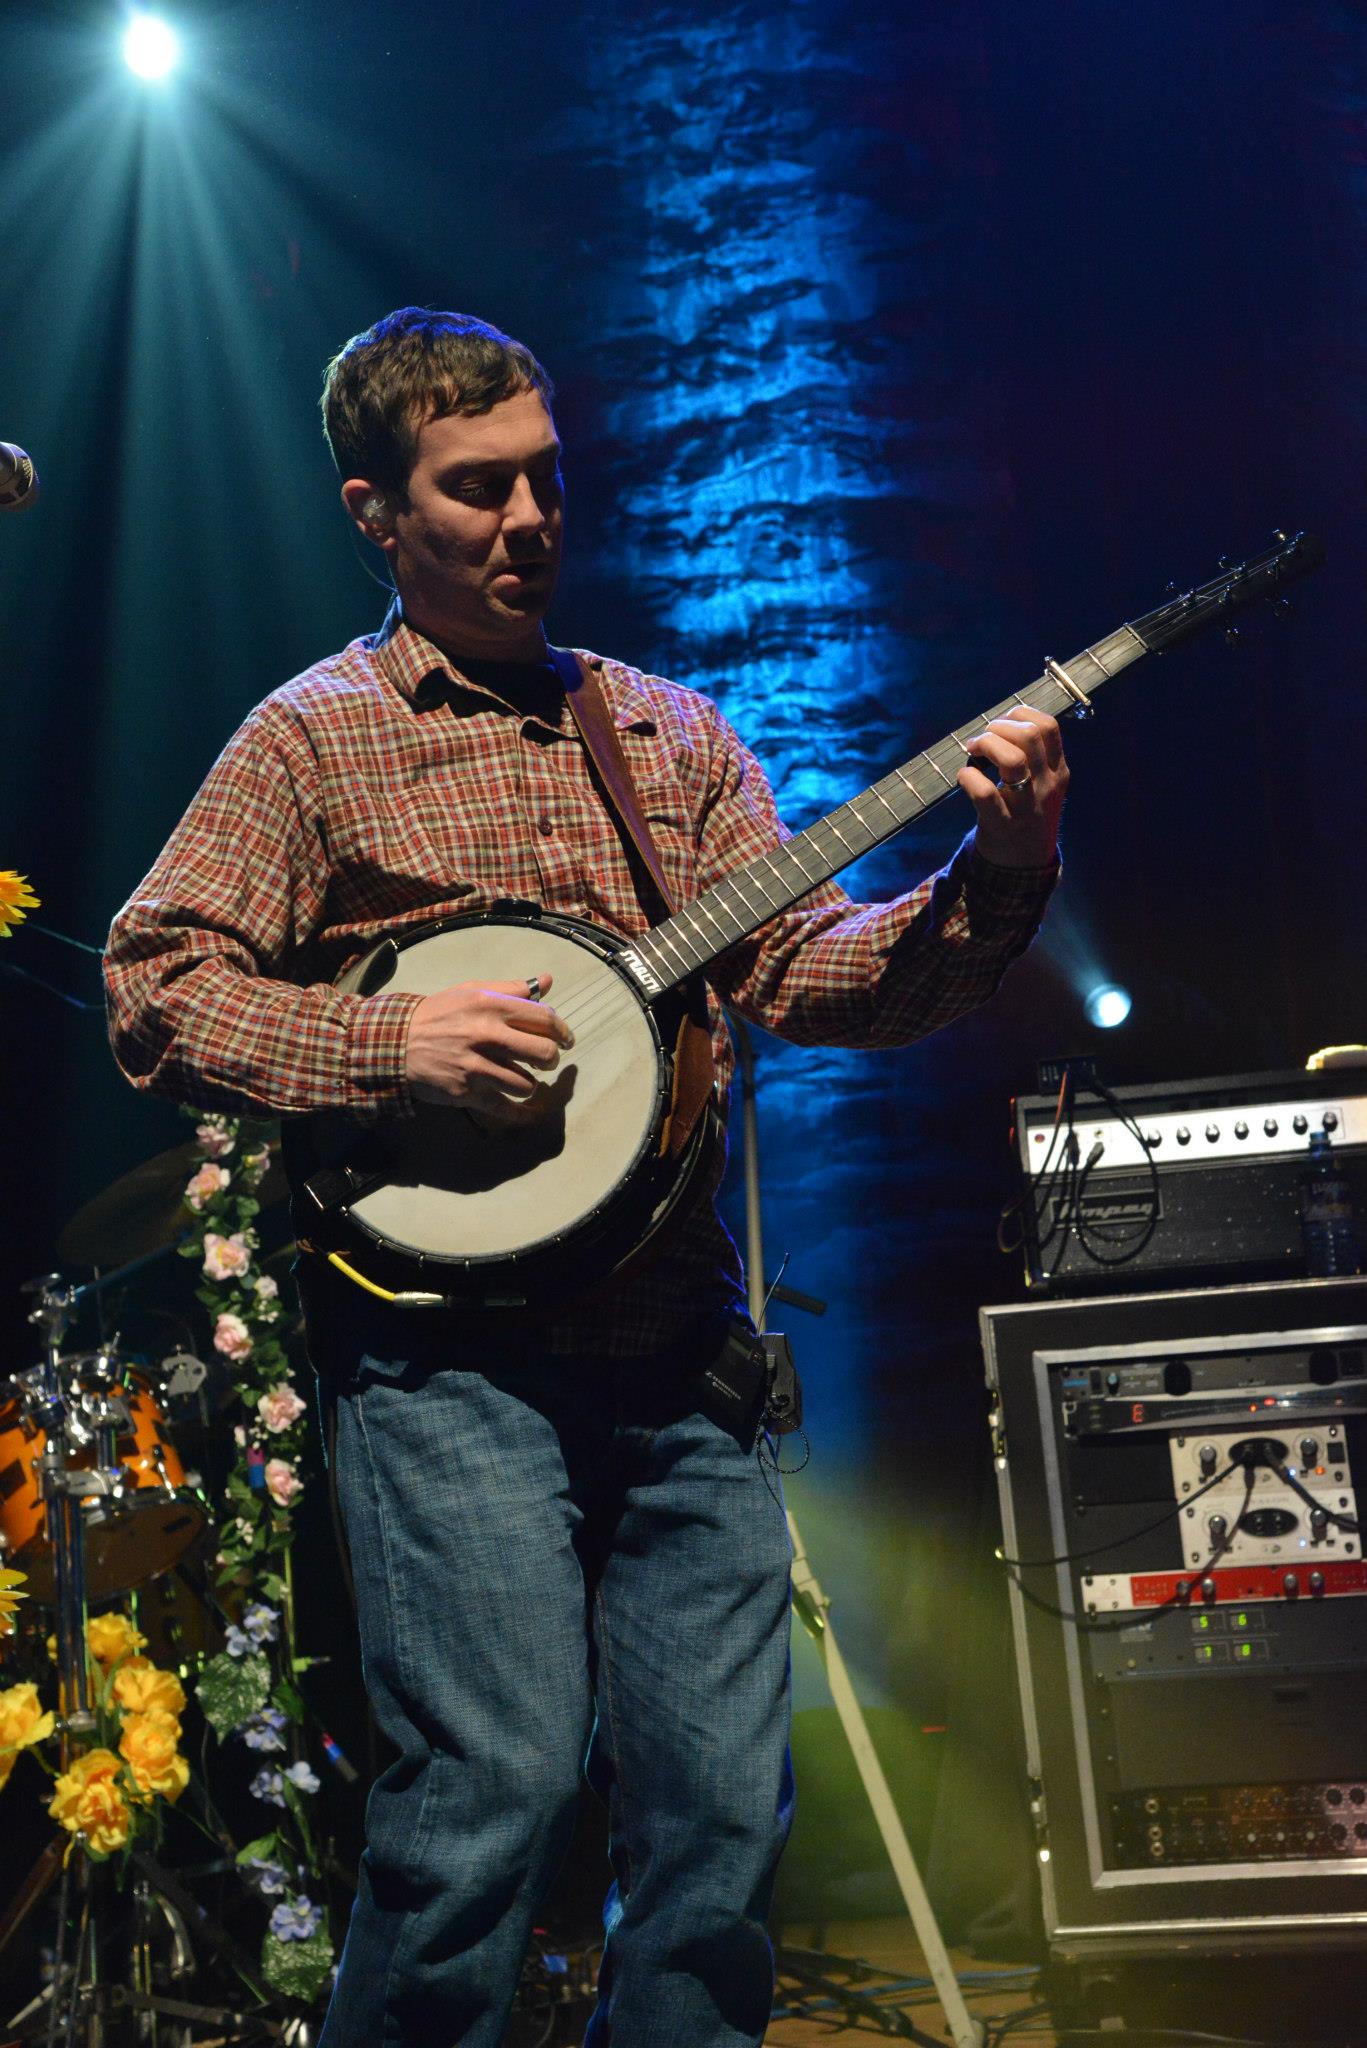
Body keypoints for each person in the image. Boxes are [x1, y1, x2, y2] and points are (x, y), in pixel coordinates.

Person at [104, 306, 1068, 2047]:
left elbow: (817, 974)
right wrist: (387, 1047)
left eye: (548, 477)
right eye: (477, 490)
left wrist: (996, 876)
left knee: (716, 1823)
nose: (532, 519)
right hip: (443, 1362)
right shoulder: (310, 740)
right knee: (492, 1800)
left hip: (676, 1349)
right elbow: (154, 983)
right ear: (374, 512)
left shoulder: (670, 738)